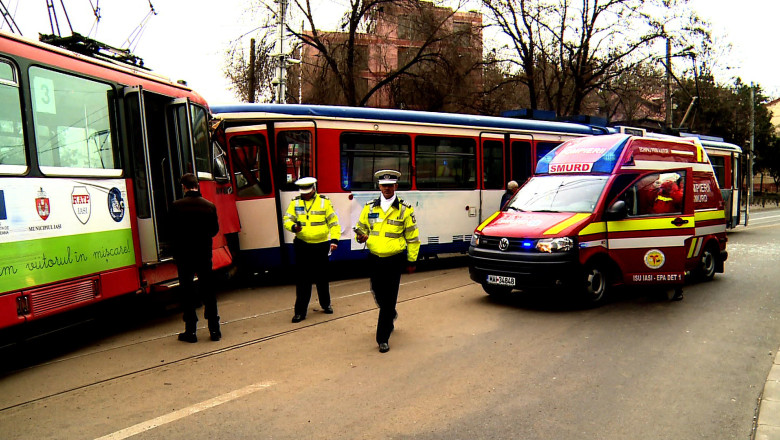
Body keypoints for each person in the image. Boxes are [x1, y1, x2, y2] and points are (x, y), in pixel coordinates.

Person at [354, 170, 420, 353]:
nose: (387, 189)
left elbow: (413, 237)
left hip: (394, 259)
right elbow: (361, 228)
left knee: (390, 297)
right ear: (379, 187)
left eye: (390, 185)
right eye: (384, 185)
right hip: (375, 257)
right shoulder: (369, 207)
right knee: (377, 291)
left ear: (396, 186)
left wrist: (412, 260)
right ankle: (390, 313)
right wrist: (360, 236)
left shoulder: (405, 209)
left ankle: (382, 337)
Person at [169, 173, 221, 343]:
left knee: (187, 293)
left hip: (184, 256)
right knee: (209, 291)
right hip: (204, 255)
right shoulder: (209, 206)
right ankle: (215, 330)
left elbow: (171, 232)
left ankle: (190, 331)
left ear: (183, 186)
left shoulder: (176, 206)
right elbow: (214, 230)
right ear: (197, 186)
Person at [283, 177, 341, 323]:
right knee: (303, 279)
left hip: (321, 245)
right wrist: (293, 227)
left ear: (314, 189)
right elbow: (287, 219)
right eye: (303, 192)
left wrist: (334, 240)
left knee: (322, 277)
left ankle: (325, 304)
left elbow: (334, 223)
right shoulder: (295, 202)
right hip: (302, 245)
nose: (305, 194)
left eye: (307, 192)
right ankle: (300, 312)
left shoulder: (324, 202)